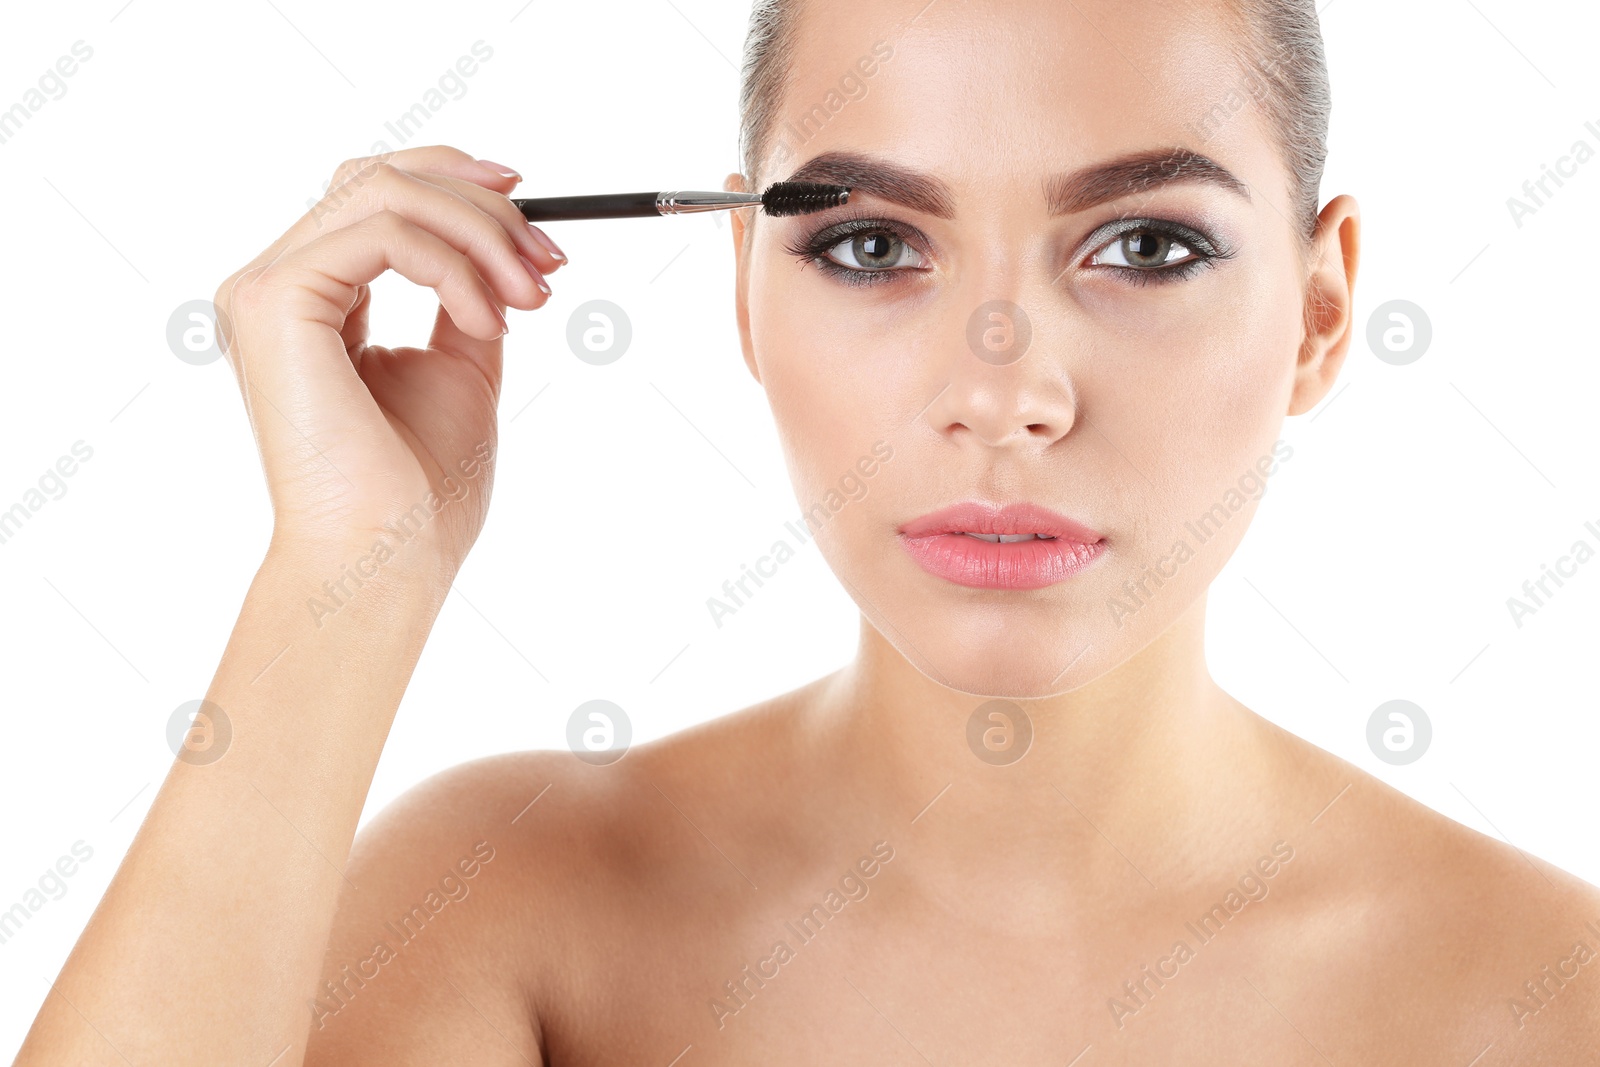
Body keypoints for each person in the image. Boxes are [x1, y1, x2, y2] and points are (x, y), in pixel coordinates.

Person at [18, 0, 1600, 1062]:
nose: (1005, 394)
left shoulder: (1548, 998)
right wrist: (340, 586)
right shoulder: (509, 908)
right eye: (866, 244)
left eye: (1142, 243)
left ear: (1323, 314)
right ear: (744, 295)